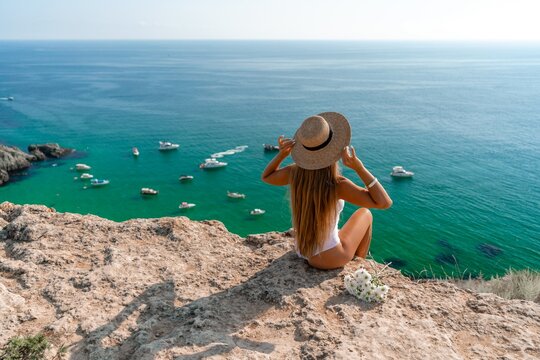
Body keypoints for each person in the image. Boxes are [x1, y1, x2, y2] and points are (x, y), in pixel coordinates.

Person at [261, 112, 392, 270]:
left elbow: (267, 177)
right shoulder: (337, 184)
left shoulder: (295, 173)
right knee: (365, 214)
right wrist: (359, 168)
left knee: (342, 230)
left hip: (304, 251)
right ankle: (359, 267)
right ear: (334, 149)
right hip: (330, 258)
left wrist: (282, 154)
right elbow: (384, 203)